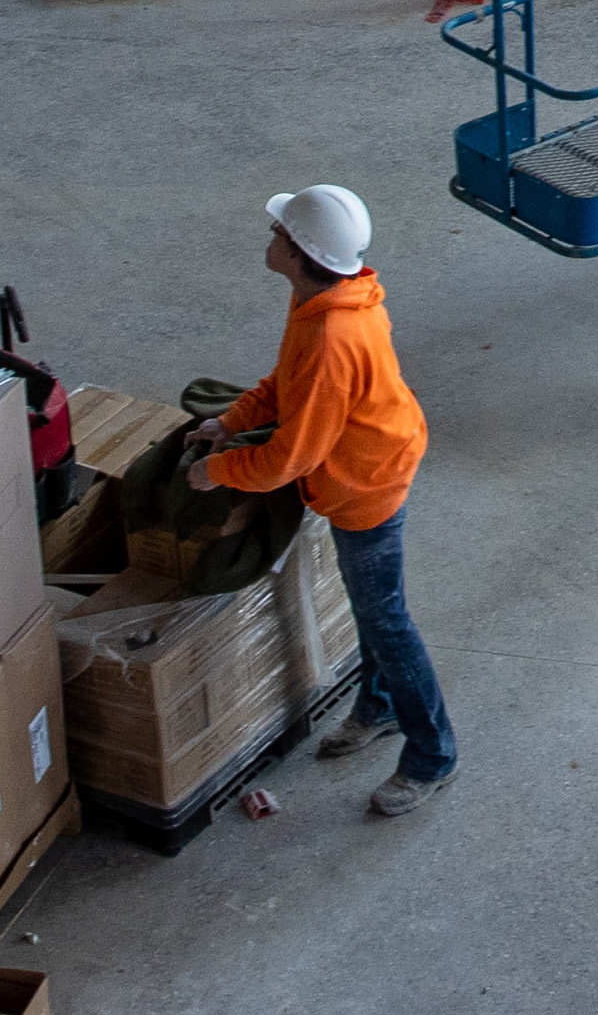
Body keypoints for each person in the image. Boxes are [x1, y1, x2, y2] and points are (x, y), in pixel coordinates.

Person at [180, 181, 454, 815]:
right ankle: (378, 707)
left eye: (280, 234)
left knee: (386, 619)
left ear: (301, 254)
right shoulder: (321, 299)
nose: (270, 237)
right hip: (366, 463)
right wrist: (230, 420)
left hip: (368, 485)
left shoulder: (334, 337)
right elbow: (285, 384)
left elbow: (291, 458)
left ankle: (432, 755)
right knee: (371, 608)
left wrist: (218, 471)